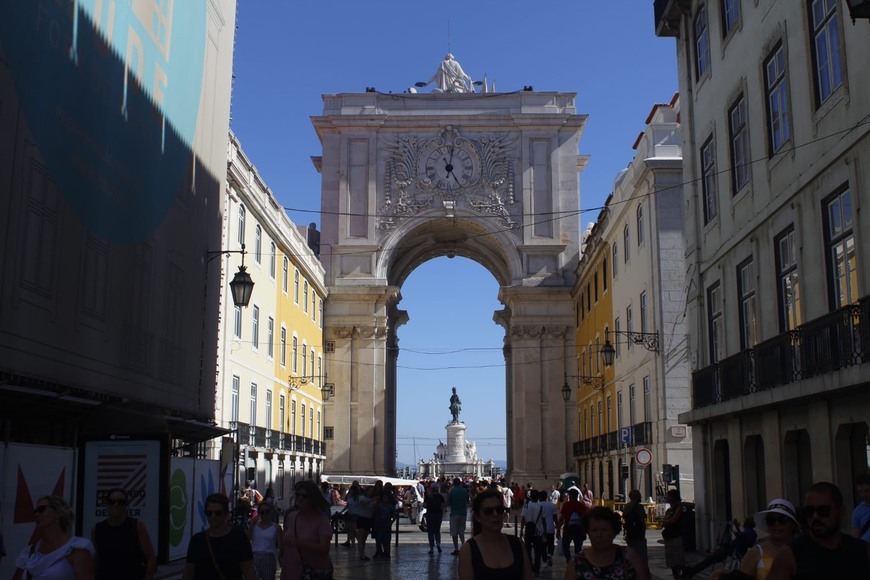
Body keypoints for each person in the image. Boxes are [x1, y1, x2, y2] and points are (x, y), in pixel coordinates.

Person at [766, 481, 870, 579]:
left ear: (840, 511)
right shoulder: (791, 554)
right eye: (809, 511)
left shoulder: (861, 550)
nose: (815, 517)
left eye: (823, 511)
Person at [709, 498, 799, 580]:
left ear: (793, 525)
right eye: (771, 520)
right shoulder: (756, 553)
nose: (776, 524)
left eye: (782, 520)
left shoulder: (805, 549)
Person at [14, 495, 94, 580]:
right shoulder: (29, 553)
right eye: (35, 511)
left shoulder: (76, 549)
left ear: (58, 513)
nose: (37, 514)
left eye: (42, 509)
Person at [458, 489, 533, 580]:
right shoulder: (468, 550)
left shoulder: (518, 544)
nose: (495, 514)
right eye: (488, 511)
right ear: (478, 516)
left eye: (499, 510)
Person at [182, 493, 255, 580]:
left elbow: (248, 570)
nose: (213, 516)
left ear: (226, 514)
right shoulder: (197, 540)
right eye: (209, 513)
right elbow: (188, 572)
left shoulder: (239, 538)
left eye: (218, 513)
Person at [564, 506, 650, 580]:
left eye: (604, 530)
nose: (599, 535)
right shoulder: (576, 563)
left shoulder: (628, 556)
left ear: (614, 532)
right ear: (588, 532)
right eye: (594, 530)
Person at [91, 487, 156, 580]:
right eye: (112, 501)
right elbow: (95, 560)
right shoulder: (97, 529)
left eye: (120, 502)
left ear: (126, 505)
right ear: (107, 504)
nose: (116, 505)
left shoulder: (136, 526)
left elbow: (151, 559)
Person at [280, 480, 333, 580]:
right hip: (290, 569)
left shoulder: (321, 520)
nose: (300, 498)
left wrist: (300, 543)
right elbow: (285, 538)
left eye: (305, 496)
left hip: (311, 571)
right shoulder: (291, 517)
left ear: (313, 499)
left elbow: (324, 548)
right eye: (298, 494)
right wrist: (281, 554)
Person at [248, 502, 281, 580]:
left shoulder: (276, 527)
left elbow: (280, 545)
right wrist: (252, 524)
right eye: (262, 512)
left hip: (269, 557)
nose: (265, 514)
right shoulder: (255, 526)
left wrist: (280, 558)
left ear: (271, 512)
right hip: (255, 556)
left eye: (267, 511)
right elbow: (247, 538)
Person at [661, 489, 688, 580]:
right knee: (672, 561)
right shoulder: (669, 510)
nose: (667, 498)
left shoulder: (678, 507)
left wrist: (666, 522)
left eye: (669, 496)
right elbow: (664, 521)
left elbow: (673, 520)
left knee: (678, 559)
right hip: (668, 536)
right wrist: (666, 522)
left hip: (676, 535)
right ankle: (675, 576)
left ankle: (683, 576)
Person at [560, 487, 588, 561]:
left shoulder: (566, 505)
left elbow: (562, 518)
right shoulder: (581, 506)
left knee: (565, 547)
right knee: (578, 548)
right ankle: (577, 562)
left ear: (570, 496)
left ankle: (569, 561)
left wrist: (559, 528)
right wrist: (584, 531)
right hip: (579, 529)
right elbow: (584, 519)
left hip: (567, 529)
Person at [521, 489, 545, 574]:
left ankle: (530, 566)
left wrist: (521, 531)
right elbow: (543, 520)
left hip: (528, 530)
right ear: (538, 497)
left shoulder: (526, 505)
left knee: (527, 550)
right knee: (538, 551)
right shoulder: (540, 507)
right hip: (538, 532)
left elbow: (523, 518)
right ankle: (536, 568)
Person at [622, 489, 648, 566]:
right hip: (639, 533)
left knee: (631, 551)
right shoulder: (640, 507)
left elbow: (624, 516)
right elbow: (642, 520)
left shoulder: (627, 506)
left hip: (630, 533)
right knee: (641, 554)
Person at [372, 481, 396, 559]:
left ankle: (385, 552)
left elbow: (394, 515)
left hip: (385, 522)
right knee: (379, 538)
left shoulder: (388, 501)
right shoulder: (381, 502)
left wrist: (391, 522)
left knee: (385, 539)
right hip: (379, 522)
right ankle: (381, 551)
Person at [449, 478, 470, 555]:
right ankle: (463, 547)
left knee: (454, 532)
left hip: (454, 513)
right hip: (463, 513)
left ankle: (456, 549)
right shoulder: (464, 491)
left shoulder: (452, 491)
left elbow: (449, 502)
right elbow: (467, 501)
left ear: (454, 483)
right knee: (461, 531)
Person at [425, 482, 446, 554]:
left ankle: (431, 548)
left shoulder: (428, 496)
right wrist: (440, 509)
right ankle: (438, 544)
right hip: (438, 514)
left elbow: (425, 505)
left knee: (430, 531)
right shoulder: (440, 496)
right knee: (437, 530)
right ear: (437, 489)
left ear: (431, 489)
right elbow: (443, 505)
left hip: (430, 514)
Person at [539, 489, 558, 567]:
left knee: (543, 545)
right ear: (547, 497)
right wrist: (558, 526)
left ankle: (545, 559)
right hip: (551, 528)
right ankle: (550, 555)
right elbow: (555, 517)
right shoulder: (552, 505)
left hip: (541, 530)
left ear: (540, 497)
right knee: (551, 544)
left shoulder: (538, 505)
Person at [851, 472, 870, 543]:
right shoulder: (858, 511)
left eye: (866, 490)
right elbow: (855, 537)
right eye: (860, 492)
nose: (863, 494)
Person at [341, 481, 361, 548]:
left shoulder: (358, 497)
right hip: (350, 513)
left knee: (354, 529)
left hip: (355, 514)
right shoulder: (350, 496)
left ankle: (360, 542)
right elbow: (347, 505)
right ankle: (352, 543)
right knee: (350, 529)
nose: (350, 491)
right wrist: (342, 511)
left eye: (351, 490)